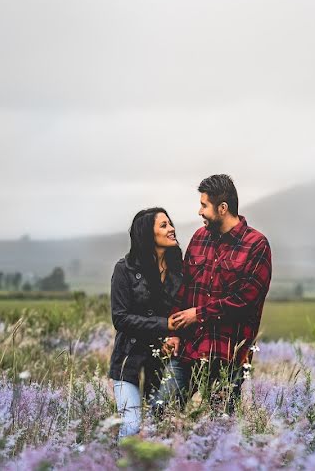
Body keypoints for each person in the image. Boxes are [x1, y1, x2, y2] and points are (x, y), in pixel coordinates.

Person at [155, 174, 272, 415]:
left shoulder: (256, 245)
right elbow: (184, 290)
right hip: (189, 348)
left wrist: (199, 314)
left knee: (220, 428)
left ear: (222, 208)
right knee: (161, 413)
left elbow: (246, 300)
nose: (199, 212)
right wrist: (174, 333)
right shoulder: (199, 238)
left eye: (204, 205)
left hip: (227, 356)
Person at [109, 207, 183, 438]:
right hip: (128, 361)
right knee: (131, 426)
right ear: (147, 234)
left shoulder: (179, 270)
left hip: (162, 363)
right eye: (164, 225)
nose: (171, 229)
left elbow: (181, 310)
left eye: (170, 224)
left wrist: (173, 336)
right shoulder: (124, 269)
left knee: (159, 428)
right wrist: (165, 326)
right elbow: (120, 318)